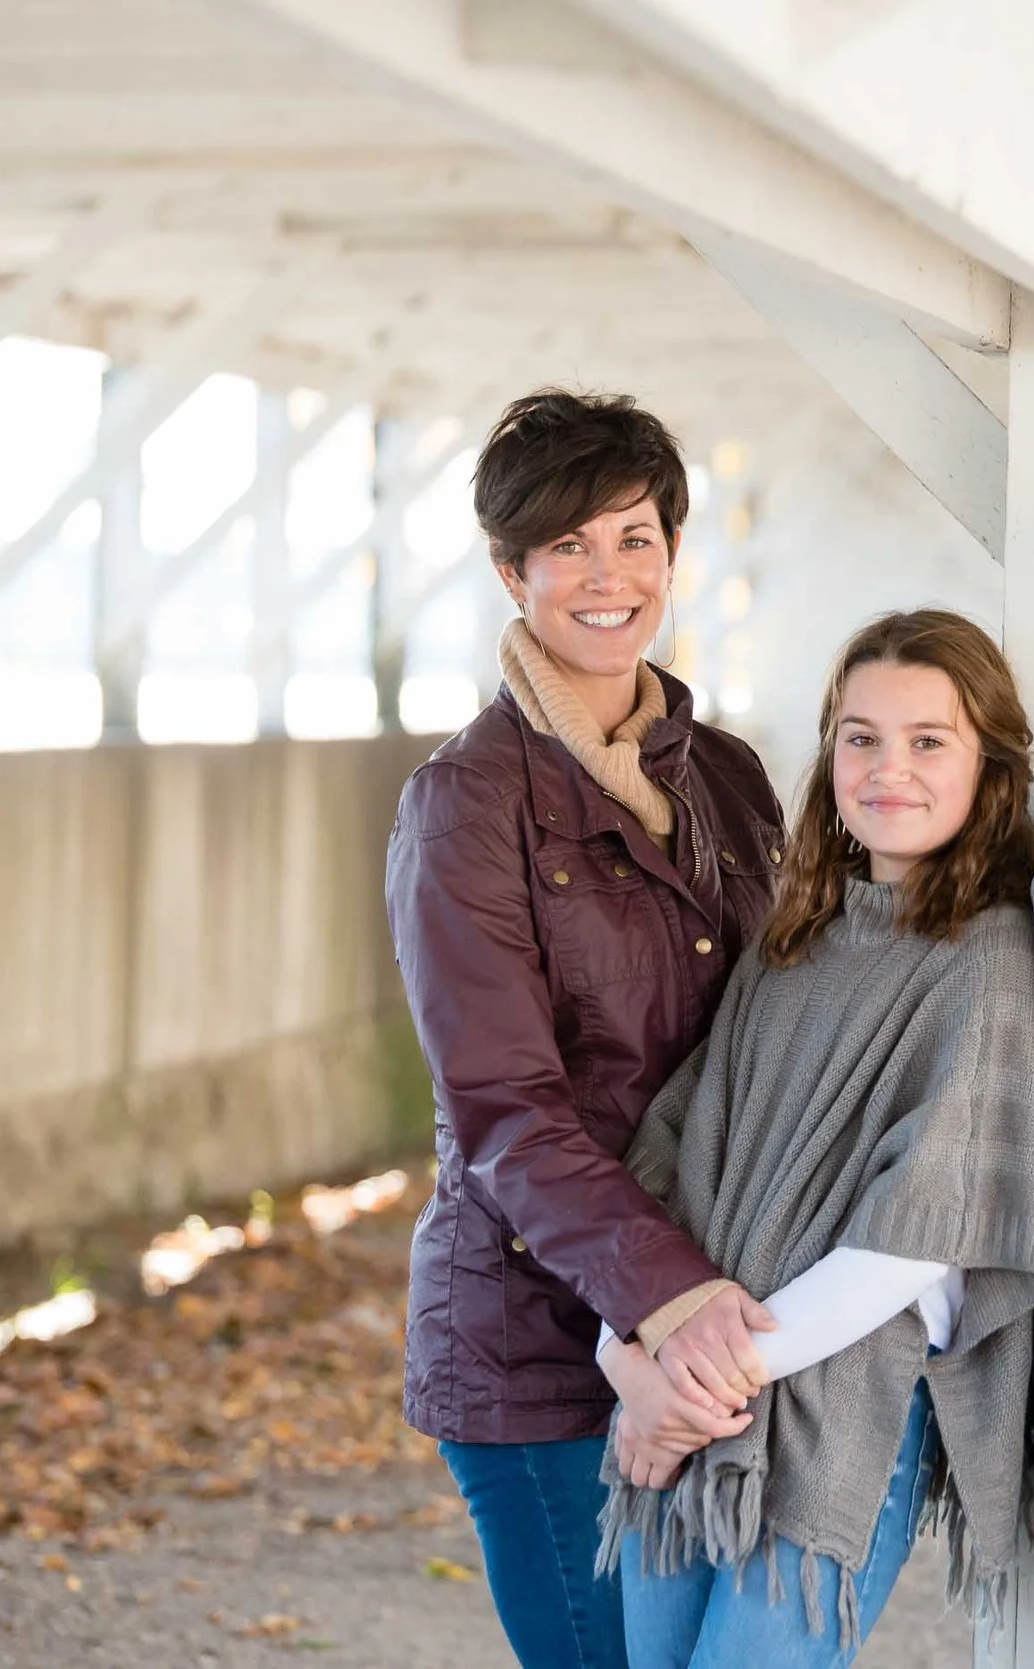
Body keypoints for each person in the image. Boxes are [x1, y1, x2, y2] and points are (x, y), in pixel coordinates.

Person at [386, 388, 790, 1668]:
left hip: (707, 1318)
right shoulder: (466, 803)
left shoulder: (724, 773)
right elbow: (504, 1110)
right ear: (512, 573)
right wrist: (676, 1303)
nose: (606, 575)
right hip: (543, 1344)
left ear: (673, 550)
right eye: (567, 545)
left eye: (633, 536)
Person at [591, 609, 1034, 1669]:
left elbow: (915, 1243)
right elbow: (666, 1163)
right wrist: (624, 1358)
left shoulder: (987, 964)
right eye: (860, 737)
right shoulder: (790, 944)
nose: (888, 767)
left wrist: (690, 1390)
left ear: (989, 768)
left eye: (927, 740)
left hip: (836, 1408)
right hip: (681, 1396)